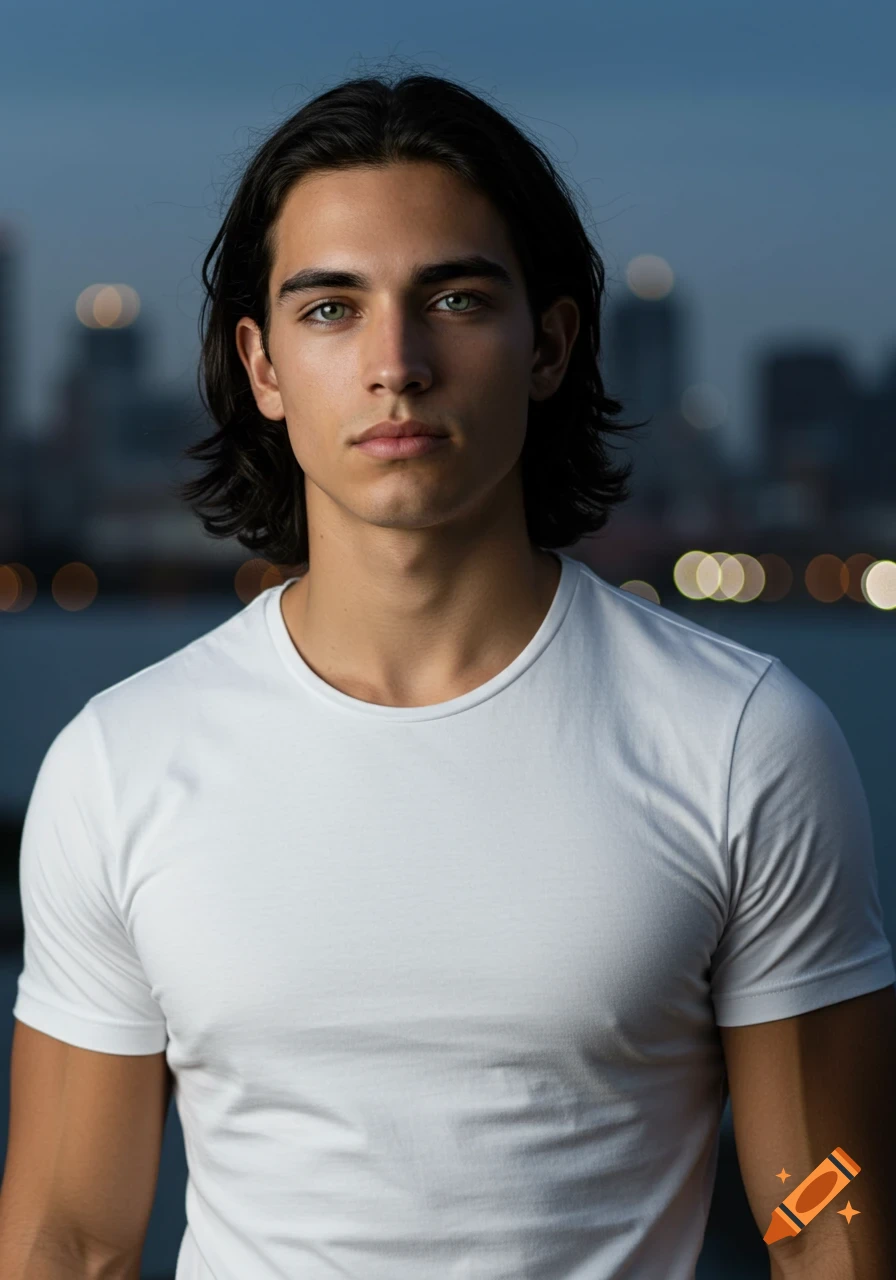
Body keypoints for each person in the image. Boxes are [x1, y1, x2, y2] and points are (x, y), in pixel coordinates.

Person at [3, 66, 895, 1280]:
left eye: (457, 298)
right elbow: (68, 1237)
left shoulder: (741, 738)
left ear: (550, 343)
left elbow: (822, 1218)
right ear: (261, 366)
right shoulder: (121, 761)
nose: (395, 362)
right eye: (330, 310)